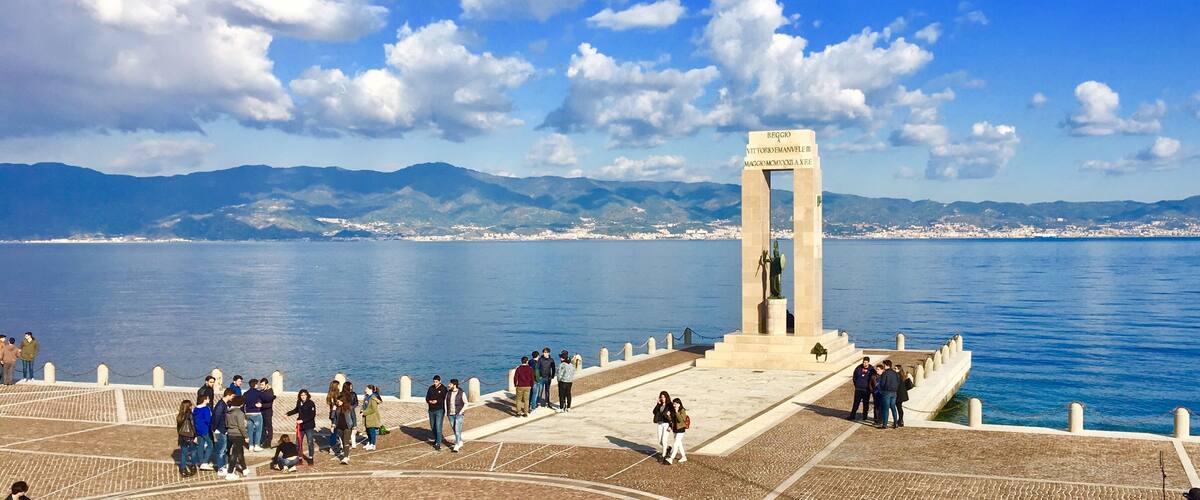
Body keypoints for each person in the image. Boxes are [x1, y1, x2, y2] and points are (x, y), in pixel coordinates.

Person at [286, 389, 317, 464]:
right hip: (301, 426)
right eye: (301, 395)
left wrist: (302, 420)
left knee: (310, 442)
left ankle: (311, 458)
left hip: (309, 426)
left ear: (307, 395)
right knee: (298, 442)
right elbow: (296, 410)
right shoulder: (299, 402)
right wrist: (288, 414)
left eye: (304, 395)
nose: (303, 397)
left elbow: (312, 415)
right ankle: (299, 458)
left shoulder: (311, 403)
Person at [224, 395, 248, 480]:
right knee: (235, 454)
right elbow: (241, 426)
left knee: (240, 451)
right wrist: (246, 436)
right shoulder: (240, 413)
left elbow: (226, 424)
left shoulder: (228, 412)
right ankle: (230, 472)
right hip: (238, 435)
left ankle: (244, 468)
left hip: (230, 434)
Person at [211, 389, 233, 473]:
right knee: (221, 450)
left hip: (223, 429)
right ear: (228, 395)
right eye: (232, 396)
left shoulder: (224, 404)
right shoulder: (221, 405)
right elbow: (216, 417)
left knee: (224, 449)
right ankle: (220, 468)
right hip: (220, 430)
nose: (232, 398)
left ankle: (223, 465)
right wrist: (215, 429)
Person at [176, 399, 198, 477]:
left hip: (182, 436)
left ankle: (182, 469)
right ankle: (193, 466)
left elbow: (178, 428)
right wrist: (196, 436)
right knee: (193, 452)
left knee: (183, 453)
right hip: (190, 436)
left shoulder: (180, 416)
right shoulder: (190, 415)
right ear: (189, 407)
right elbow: (193, 426)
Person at [193, 394, 214, 472]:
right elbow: (208, 420)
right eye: (208, 398)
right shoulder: (206, 409)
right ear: (204, 400)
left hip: (198, 429)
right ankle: (205, 462)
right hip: (205, 429)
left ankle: (201, 462)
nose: (209, 400)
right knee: (210, 445)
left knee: (200, 445)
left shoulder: (195, 409)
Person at [425, 375, 448, 450]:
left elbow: (444, 399)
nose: (435, 383)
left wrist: (437, 401)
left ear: (440, 381)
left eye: (436, 382)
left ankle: (438, 443)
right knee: (432, 426)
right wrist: (429, 401)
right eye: (434, 382)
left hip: (439, 410)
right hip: (431, 410)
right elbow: (427, 398)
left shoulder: (443, 389)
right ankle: (436, 439)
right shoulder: (431, 388)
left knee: (438, 426)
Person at [848, 356, 874, 421]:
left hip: (866, 390)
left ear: (868, 362)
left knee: (866, 404)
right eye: (864, 362)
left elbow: (873, 379)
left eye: (866, 362)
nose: (865, 364)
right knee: (856, 403)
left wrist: (870, 387)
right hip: (858, 389)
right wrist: (856, 384)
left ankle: (864, 416)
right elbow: (854, 377)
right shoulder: (858, 368)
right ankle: (852, 416)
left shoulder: (871, 369)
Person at [242, 379, 264, 452]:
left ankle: (250, 445)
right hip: (256, 413)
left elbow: (243, 404)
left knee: (249, 430)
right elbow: (265, 398)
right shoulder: (258, 393)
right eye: (257, 384)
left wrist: (244, 412)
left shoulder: (246, 393)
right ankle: (257, 445)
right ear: (255, 385)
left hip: (248, 413)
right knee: (258, 430)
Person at [445, 379, 466, 452]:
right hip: (450, 414)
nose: (448, 385)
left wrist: (461, 412)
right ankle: (460, 441)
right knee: (455, 429)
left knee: (457, 430)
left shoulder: (461, 393)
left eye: (450, 384)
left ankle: (456, 445)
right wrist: (446, 412)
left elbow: (466, 403)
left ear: (454, 385)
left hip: (458, 414)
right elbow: (445, 402)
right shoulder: (448, 393)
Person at [665, 398, 688, 465]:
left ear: (679, 404)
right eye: (673, 404)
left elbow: (681, 420)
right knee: (679, 444)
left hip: (681, 430)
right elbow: (671, 420)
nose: (674, 405)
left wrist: (677, 412)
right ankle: (684, 456)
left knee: (675, 444)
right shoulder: (673, 410)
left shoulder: (682, 410)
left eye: (675, 404)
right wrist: (668, 416)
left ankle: (671, 458)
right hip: (675, 429)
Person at [652, 391, 675, 459]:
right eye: (661, 397)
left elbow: (673, 416)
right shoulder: (660, 404)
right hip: (659, 424)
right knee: (660, 441)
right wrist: (657, 404)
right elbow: (654, 412)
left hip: (666, 424)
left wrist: (670, 426)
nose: (662, 398)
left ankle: (663, 455)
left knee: (664, 440)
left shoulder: (670, 405)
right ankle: (668, 448)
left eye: (664, 397)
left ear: (666, 397)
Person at [362, 385, 382, 451]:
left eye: (366, 388)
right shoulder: (366, 397)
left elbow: (373, 409)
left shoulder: (373, 398)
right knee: (368, 431)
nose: (365, 390)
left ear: (370, 389)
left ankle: (373, 444)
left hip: (372, 417)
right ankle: (369, 442)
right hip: (366, 417)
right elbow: (364, 405)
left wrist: (364, 412)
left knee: (372, 431)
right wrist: (362, 410)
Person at [341, 381, 360, 449]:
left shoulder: (353, 394)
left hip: (351, 411)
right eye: (350, 386)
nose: (351, 387)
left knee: (353, 426)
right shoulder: (342, 394)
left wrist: (352, 407)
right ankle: (345, 443)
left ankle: (353, 443)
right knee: (346, 427)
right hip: (344, 411)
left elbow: (356, 403)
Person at [333, 396, 352, 464]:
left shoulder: (348, 408)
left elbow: (353, 416)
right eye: (337, 401)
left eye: (339, 401)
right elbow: (334, 417)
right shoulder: (337, 408)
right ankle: (346, 454)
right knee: (343, 442)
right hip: (339, 427)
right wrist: (333, 410)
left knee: (346, 441)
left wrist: (354, 426)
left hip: (347, 427)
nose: (338, 402)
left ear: (343, 401)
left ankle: (345, 458)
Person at [324, 380, 342, 454]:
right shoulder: (337, 395)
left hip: (332, 414)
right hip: (336, 414)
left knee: (334, 431)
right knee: (335, 431)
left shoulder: (330, 395)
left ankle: (333, 446)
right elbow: (337, 405)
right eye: (339, 385)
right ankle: (334, 447)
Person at [259, 378, 277, 449]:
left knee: (269, 427)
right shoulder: (261, 391)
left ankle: (268, 441)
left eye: (262, 385)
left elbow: (269, 405)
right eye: (260, 385)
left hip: (268, 412)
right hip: (261, 411)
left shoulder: (270, 392)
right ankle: (263, 440)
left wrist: (261, 405)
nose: (261, 386)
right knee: (262, 427)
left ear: (266, 385)